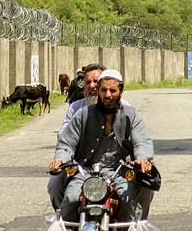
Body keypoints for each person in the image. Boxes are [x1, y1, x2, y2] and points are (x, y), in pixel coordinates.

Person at [48, 69, 156, 222]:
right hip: (85, 171)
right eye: (104, 90)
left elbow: (142, 141)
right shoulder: (83, 114)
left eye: (113, 90)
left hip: (118, 171)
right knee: (71, 199)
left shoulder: (131, 116)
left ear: (121, 92)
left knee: (127, 200)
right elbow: (67, 142)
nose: (108, 95)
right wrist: (60, 159)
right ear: (98, 91)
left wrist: (143, 159)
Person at [47, 62, 130, 209]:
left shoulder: (126, 109)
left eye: (96, 82)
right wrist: (62, 159)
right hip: (81, 165)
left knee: (145, 183)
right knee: (55, 184)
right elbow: (64, 137)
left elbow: (138, 140)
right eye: (88, 82)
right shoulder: (76, 108)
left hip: (116, 165)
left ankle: (135, 224)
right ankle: (66, 223)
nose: (92, 86)